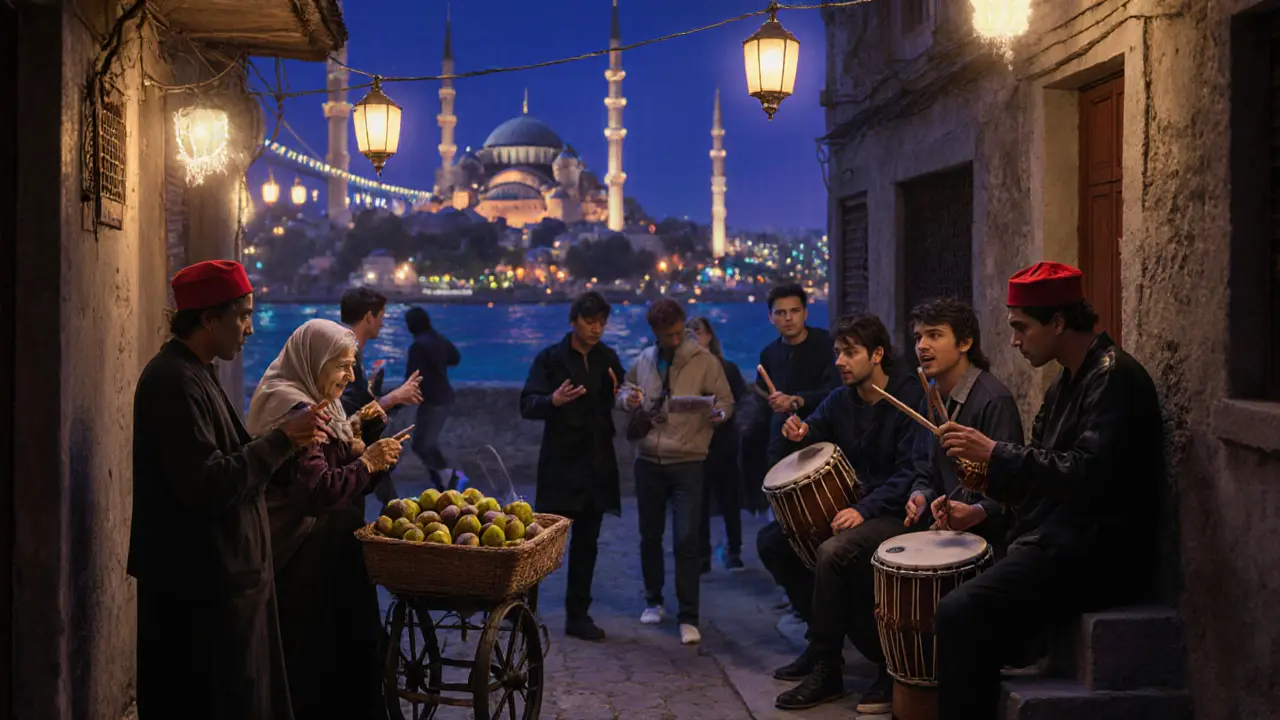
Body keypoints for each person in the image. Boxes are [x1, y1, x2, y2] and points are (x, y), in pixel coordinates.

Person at [933, 262, 1164, 718]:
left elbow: (1087, 474)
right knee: (960, 596)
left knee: (959, 612)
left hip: (1099, 555)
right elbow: (1041, 472)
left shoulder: (1114, 377)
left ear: (1058, 322)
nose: (1014, 340)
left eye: (1022, 327)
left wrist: (995, 452)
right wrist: (981, 510)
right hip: (1060, 541)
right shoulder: (1065, 381)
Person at [129, 260, 327, 720]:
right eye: (242, 316)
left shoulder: (198, 373)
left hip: (223, 580)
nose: (250, 329)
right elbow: (207, 483)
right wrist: (281, 439)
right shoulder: (171, 382)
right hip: (198, 588)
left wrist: (291, 446)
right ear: (207, 319)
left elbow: (233, 459)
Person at [770, 314, 929, 714]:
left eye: (850, 352)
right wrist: (799, 433)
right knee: (773, 542)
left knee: (833, 552)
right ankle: (819, 641)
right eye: (838, 352)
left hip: (897, 510)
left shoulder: (909, 396)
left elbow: (911, 472)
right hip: (854, 507)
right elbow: (815, 428)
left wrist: (862, 509)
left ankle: (832, 665)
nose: (840, 361)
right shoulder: (842, 398)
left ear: (877, 355)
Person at [247, 319, 405, 720]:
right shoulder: (297, 408)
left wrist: (362, 442)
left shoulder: (323, 405)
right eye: (342, 366)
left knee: (346, 654)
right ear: (313, 361)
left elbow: (341, 477)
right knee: (317, 662)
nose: (350, 376)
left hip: (330, 552)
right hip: (305, 560)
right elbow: (316, 490)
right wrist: (367, 462)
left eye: (352, 366)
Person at [618, 298, 734, 646]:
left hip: (688, 459)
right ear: (654, 332)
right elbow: (625, 390)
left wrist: (719, 415)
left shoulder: (705, 361)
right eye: (665, 334)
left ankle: (689, 616)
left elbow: (726, 401)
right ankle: (653, 600)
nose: (673, 339)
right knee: (649, 535)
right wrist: (628, 400)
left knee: (686, 539)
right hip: (648, 461)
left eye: (676, 332)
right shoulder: (644, 359)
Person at [520, 292, 627, 641]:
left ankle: (578, 614)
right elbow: (527, 404)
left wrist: (629, 397)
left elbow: (622, 393)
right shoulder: (551, 358)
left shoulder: (608, 358)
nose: (597, 328)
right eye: (590, 321)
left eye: (601, 322)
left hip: (596, 462)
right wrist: (553, 400)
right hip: (561, 463)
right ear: (574, 320)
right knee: (542, 542)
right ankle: (523, 609)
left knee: (588, 543)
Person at [903, 298, 1024, 548]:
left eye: (934, 335)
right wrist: (921, 495)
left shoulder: (993, 400)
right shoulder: (929, 397)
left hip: (993, 540)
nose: (922, 346)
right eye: (918, 337)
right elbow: (924, 468)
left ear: (965, 342)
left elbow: (1015, 486)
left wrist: (978, 510)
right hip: (949, 532)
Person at [754, 284, 840, 618]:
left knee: (813, 528)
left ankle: (819, 600)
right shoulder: (768, 353)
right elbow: (766, 402)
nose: (788, 318)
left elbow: (835, 391)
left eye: (794, 311)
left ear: (805, 312)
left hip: (818, 445)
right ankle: (800, 598)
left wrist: (798, 400)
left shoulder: (825, 345)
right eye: (780, 313)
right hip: (781, 446)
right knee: (784, 530)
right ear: (771, 317)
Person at [338, 287, 423, 504]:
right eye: (381, 316)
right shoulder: (346, 354)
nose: (383, 323)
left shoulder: (345, 349)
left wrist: (370, 392)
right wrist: (395, 396)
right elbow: (346, 412)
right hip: (346, 456)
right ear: (369, 317)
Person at [687, 316, 748, 572]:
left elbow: (741, 402)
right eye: (690, 333)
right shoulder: (684, 372)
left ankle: (733, 551)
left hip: (723, 443)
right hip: (695, 444)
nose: (695, 338)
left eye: (699, 332)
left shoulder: (727, 368)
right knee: (697, 502)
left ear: (709, 335)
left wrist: (725, 416)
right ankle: (702, 554)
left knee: (729, 500)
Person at [403, 306, 461, 490]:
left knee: (422, 444)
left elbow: (411, 376)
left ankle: (448, 477)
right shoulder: (438, 339)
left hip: (432, 399)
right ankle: (443, 479)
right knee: (425, 443)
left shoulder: (418, 345)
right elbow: (455, 357)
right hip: (443, 396)